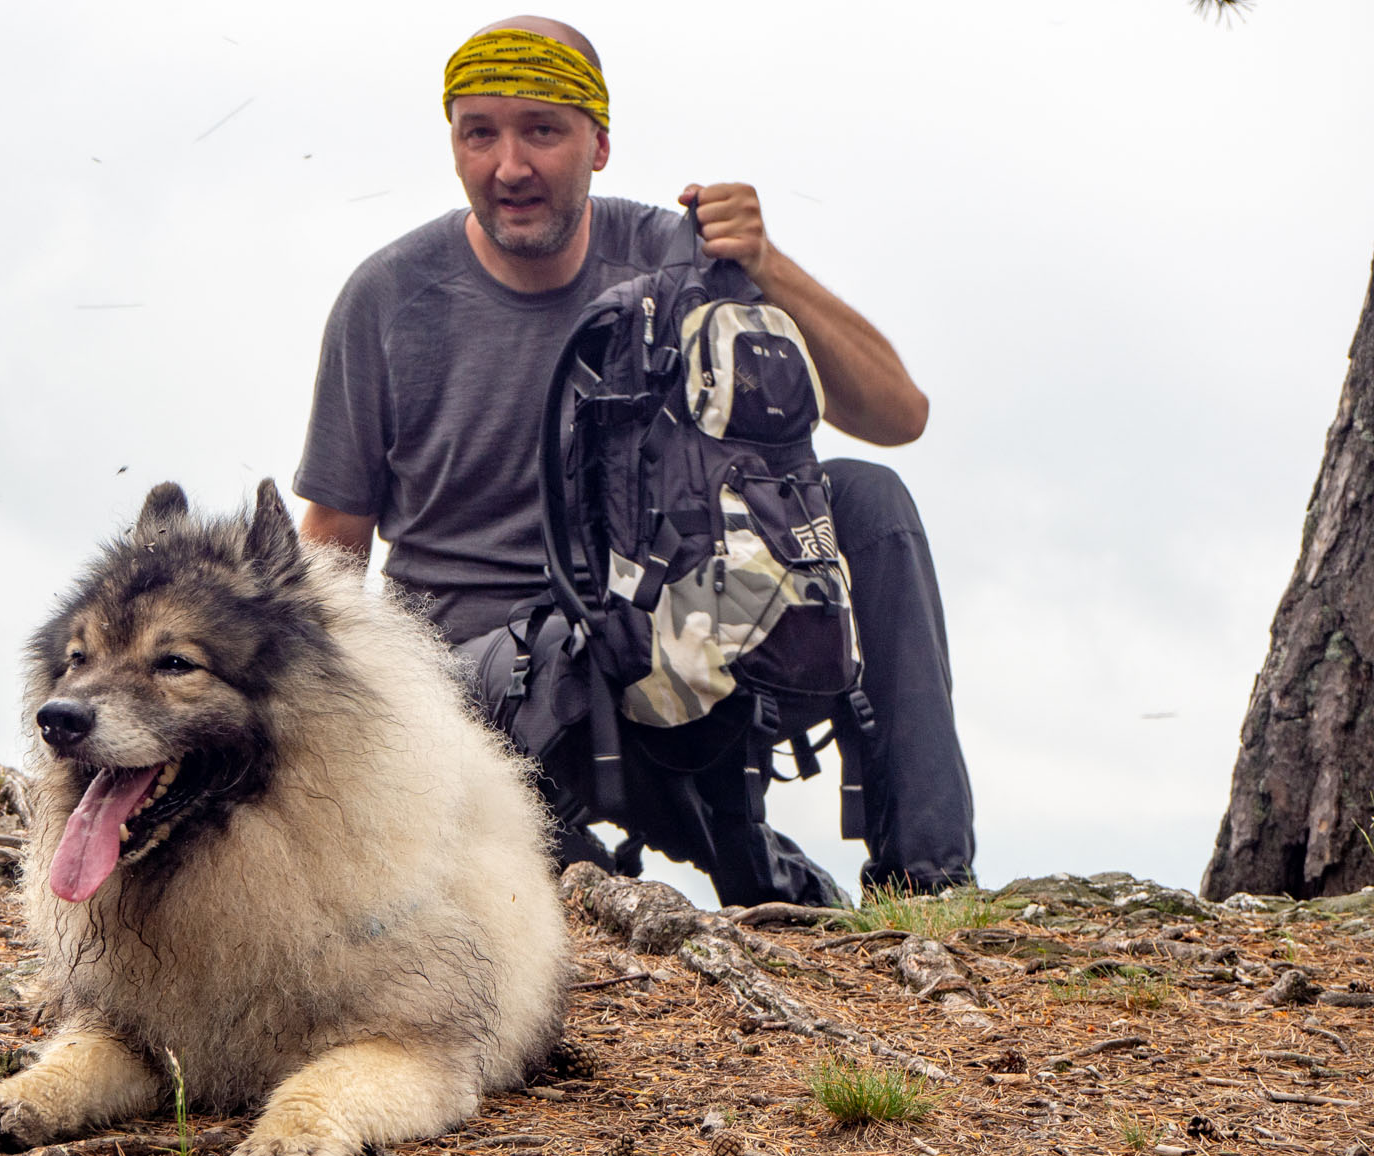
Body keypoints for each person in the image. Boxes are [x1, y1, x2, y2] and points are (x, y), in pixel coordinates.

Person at [292, 16, 973, 902]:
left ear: (599, 144)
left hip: (666, 621)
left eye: (543, 129)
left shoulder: (670, 255)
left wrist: (765, 264)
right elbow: (332, 551)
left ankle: (929, 880)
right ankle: (645, 856)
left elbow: (898, 414)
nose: (510, 166)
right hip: (482, 676)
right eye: (480, 133)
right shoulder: (387, 299)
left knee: (867, 498)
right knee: (582, 683)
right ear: (454, 144)